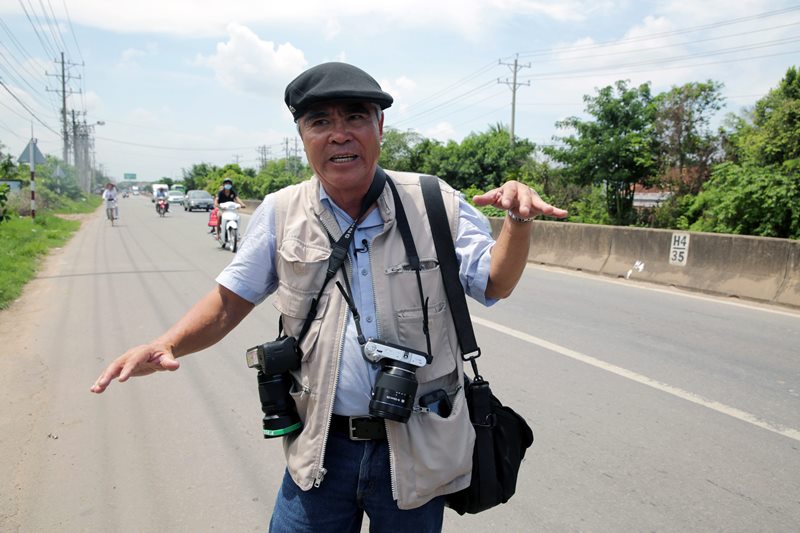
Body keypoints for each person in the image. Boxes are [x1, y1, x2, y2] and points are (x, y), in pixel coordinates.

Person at [90, 62, 567, 532]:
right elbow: (228, 303)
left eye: (355, 117)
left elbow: (495, 283)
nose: (339, 134)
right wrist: (168, 344)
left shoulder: (433, 202)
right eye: (320, 122)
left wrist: (518, 221)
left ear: (380, 127)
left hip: (419, 445)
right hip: (321, 449)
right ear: (302, 135)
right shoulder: (281, 212)